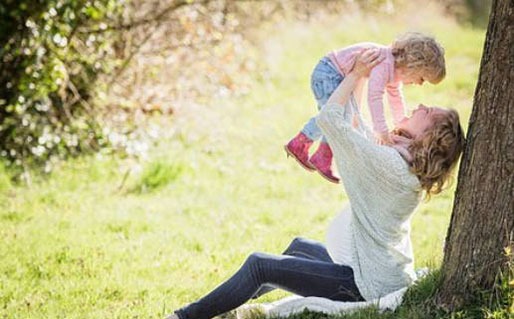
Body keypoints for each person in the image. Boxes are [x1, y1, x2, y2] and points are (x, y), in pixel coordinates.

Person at [166, 49, 465, 319]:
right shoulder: (401, 162)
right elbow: (359, 127)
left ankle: (184, 317)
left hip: (364, 285)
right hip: (376, 273)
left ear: (428, 137)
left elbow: (331, 119)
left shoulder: (390, 167)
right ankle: (226, 305)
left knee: (260, 265)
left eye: (427, 113)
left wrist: (354, 74)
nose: (422, 104)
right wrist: (362, 78)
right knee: (298, 247)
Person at [284, 32, 446, 183]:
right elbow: (374, 97)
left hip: (335, 75)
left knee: (339, 118)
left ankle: (322, 156)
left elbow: (395, 98)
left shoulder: (394, 69)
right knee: (334, 116)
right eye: (422, 79)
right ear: (414, 66)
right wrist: (381, 130)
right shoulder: (384, 62)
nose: (419, 84)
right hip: (329, 73)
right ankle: (301, 143)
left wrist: (401, 122)